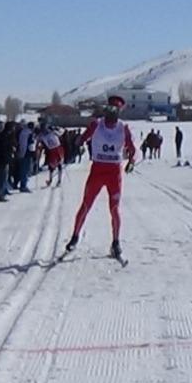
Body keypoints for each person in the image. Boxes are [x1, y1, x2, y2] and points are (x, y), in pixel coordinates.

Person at [64, 96, 137, 260]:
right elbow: (81, 139)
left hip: (114, 173)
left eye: (115, 111)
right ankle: (75, 237)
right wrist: (79, 145)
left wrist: (131, 161)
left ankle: (116, 242)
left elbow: (132, 148)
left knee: (114, 209)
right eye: (109, 109)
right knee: (86, 205)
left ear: (119, 112)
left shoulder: (123, 128)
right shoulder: (97, 124)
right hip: (98, 170)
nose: (111, 114)